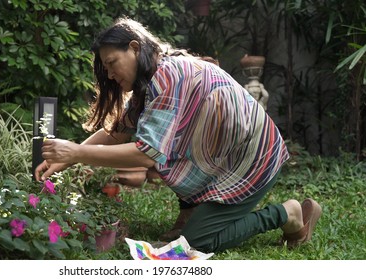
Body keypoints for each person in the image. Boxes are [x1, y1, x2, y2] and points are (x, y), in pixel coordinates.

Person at [34, 17, 322, 253]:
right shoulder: (151, 81)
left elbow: (145, 153)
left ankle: (289, 213)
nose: (109, 75)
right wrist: (67, 159)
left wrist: (76, 152)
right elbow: (118, 133)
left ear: (134, 48)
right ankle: (191, 212)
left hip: (252, 160)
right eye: (105, 67)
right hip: (224, 159)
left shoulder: (167, 77)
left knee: (198, 243)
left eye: (112, 63)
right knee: (170, 140)